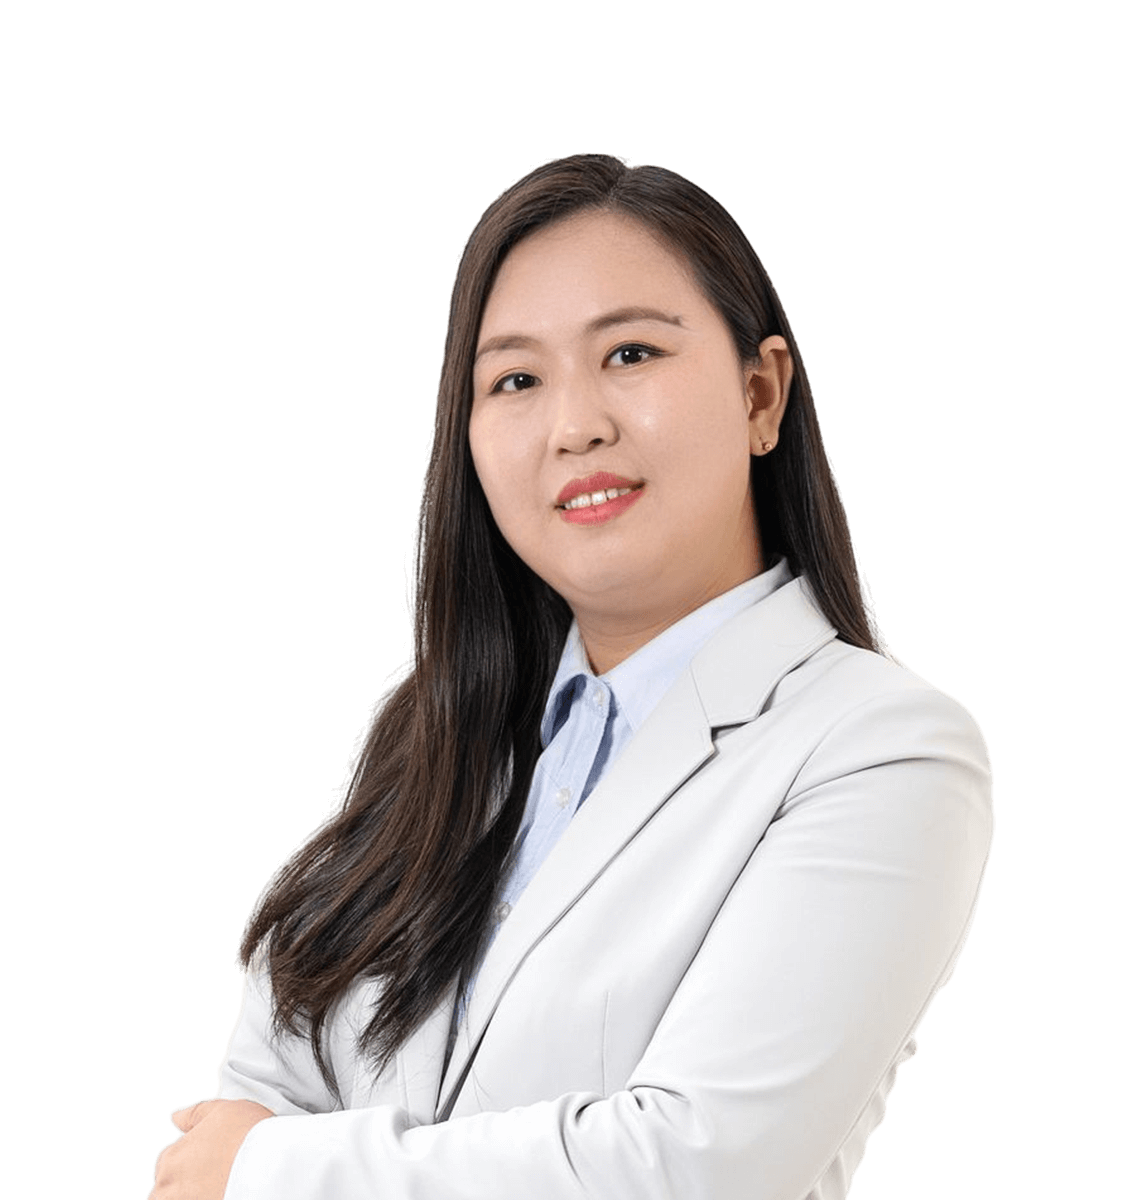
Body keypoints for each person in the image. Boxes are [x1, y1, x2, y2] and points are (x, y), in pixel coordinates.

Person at [149, 153, 994, 1200]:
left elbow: (702, 1166)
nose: (575, 425)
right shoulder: (435, 740)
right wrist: (259, 1158)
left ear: (761, 393)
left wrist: (280, 1171)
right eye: (516, 379)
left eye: (630, 353)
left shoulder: (884, 748)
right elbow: (252, 1099)